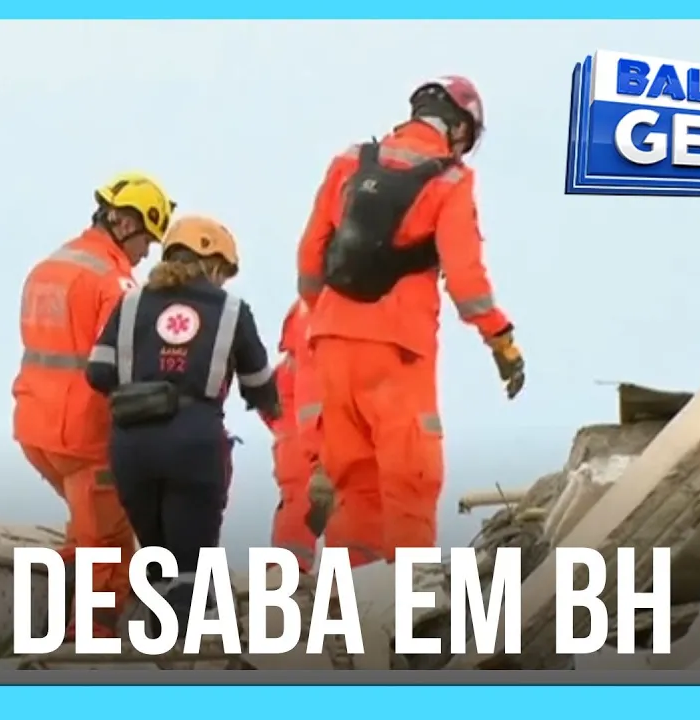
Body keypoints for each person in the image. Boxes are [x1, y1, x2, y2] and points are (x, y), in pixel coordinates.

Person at [294, 76, 526, 568]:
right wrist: (500, 338)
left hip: (331, 343)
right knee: (410, 479)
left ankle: (352, 604)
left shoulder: (351, 161)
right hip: (397, 351)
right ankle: (410, 602)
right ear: (459, 129)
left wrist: (331, 318)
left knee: (354, 486)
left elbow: (311, 258)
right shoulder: (451, 181)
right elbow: (466, 280)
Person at [85, 215, 281, 626]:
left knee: (157, 561)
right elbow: (259, 384)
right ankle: (184, 650)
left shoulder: (131, 303)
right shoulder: (231, 310)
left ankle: (156, 640)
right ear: (213, 264)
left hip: (132, 445)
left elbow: (98, 371)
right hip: (194, 443)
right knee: (191, 564)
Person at [12, 172, 175, 639]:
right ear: (125, 224)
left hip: (37, 429)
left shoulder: (49, 267)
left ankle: (53, 609)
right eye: (147, 239)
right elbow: (126, 363)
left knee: (87, 527)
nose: (146, 252)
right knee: (112, 545)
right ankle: (89, 639)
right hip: (84, 437)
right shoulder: (114, 282)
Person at [260, 300, 326, 574]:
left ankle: (286, 573)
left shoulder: (312, 306)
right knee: (306, 493)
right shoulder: (327, 305)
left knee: (301, 497)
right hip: (307, 424)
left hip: (295, 424)